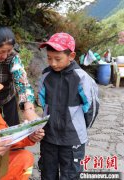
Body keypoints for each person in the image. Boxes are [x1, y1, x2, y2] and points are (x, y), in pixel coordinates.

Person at [38, 33, 99, 180]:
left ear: (71, 56)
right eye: (49, 58)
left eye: (58, 59)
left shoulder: (82, 78)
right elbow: (41, 102)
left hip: (73, 139)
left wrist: (80, 128)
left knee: (71, 174)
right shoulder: (46, 76)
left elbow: (91, 107)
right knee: (47, 173)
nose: (52, 63)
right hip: (49, 137)